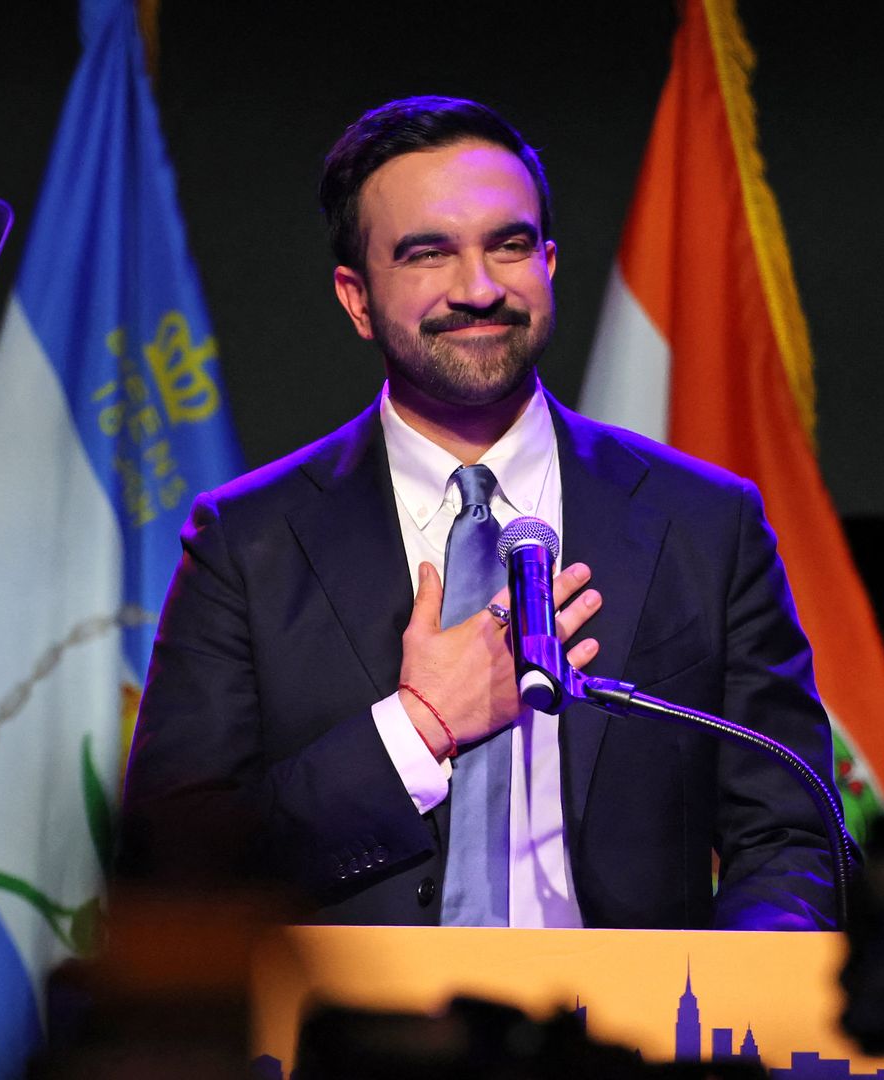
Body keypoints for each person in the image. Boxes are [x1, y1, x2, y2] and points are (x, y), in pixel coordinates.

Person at [116, 96, 837, 930]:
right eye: (429, 254)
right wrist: (418, 727)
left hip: (622, 1046)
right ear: (356, 298)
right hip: (362, 1044)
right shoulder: (248, 544)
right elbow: (178, 870)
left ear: (551, 262)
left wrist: (722, 1004)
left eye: (511, 245)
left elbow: (792, 836)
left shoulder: (706, 525)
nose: (481, 288)